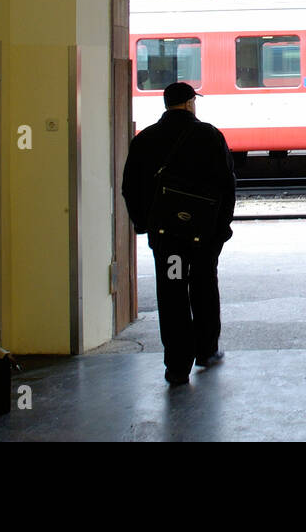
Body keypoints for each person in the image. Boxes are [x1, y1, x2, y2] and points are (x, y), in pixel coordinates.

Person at [121, 81, 236, 386]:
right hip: (204, 236)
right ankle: (207, 351)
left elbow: (130, 188)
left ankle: (176, 366)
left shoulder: (145, 139)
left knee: (171, 294)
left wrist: (145, 225)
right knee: (203, 288)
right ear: (188, 103)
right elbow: (228, 185)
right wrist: (222, 228)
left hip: (167, 237)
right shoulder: (209, 135)